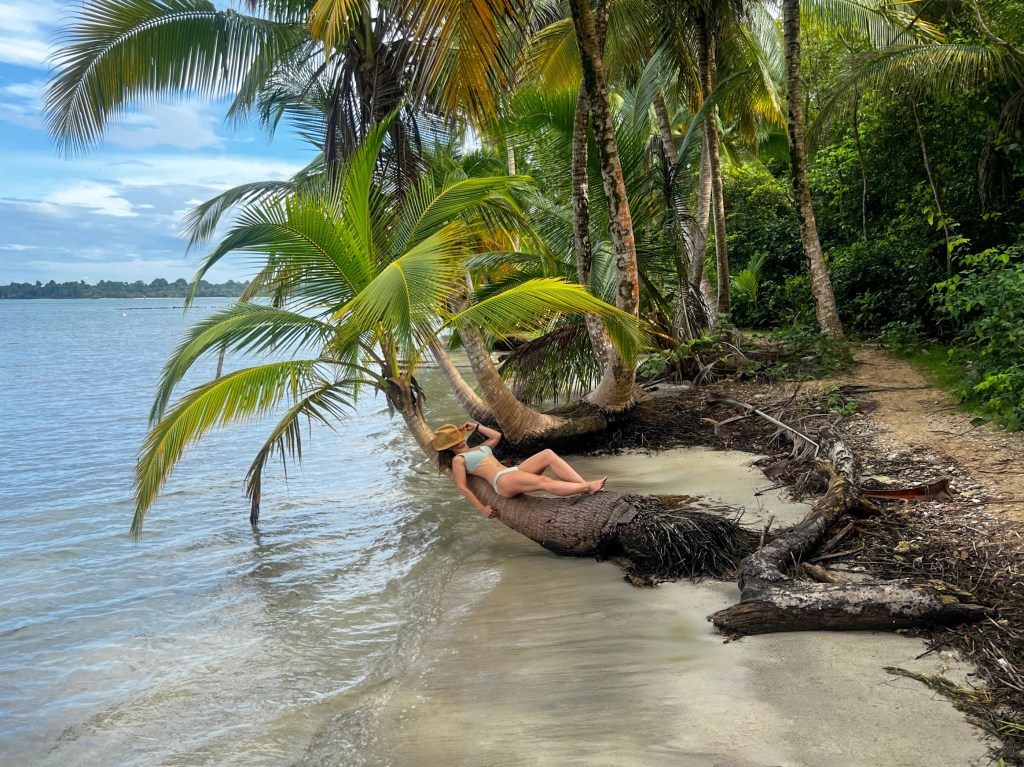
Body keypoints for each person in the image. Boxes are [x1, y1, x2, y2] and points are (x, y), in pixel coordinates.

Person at [431, 422, 607, 518]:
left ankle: (584, 485)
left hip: (512, 471)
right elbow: (463, 487)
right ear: (450, 446)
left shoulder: (478, 448)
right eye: (455, 439)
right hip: (501, 481)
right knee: (544, 481)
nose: (460, 439)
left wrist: (476, 426)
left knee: (547, 454)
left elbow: (497, 436)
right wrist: (482, 509)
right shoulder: (458, 459)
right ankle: (587, 487)